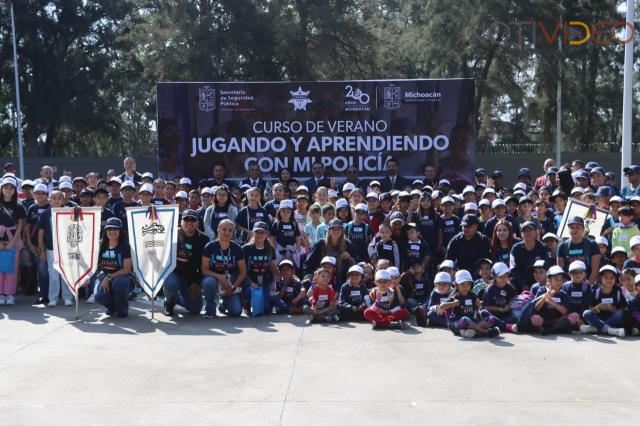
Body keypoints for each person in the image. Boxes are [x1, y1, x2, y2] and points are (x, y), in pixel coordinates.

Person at [163, 209, 209, 316]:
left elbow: (205, 265)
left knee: (195, 309)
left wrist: (196, 283)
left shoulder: (204, 239)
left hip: (191, 277)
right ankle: (169, 302)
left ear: (197, 222)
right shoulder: (170, 235)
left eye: (193, 220)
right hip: (173, 273)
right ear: (181, 222)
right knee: (171, 283)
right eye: (186, 219)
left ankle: (177, 299)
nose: (189, 222)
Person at [201, 219, 247, 318]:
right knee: (208, 282)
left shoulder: (237, 248)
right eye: (224, 229)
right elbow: (204, 269)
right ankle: (210, 310)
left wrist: (233, 287)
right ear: (218, 230)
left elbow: (243, 272)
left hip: (230, 283)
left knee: (236, 312)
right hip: (214, 280)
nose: (227, 232)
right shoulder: (209, 247)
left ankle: (223, 303)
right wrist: (219, 277)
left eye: (230, 230)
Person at [93, 218, 133, 317]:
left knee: (120, 283)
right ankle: (110, 307)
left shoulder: (125, 246)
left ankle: (122, 307)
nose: (112, 231)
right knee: (99, 297)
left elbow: (126, 269)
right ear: (105, 231)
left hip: (122, 276)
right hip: (104, 275)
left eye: (115, 229)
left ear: (120, 231)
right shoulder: (100, 244)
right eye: (109, 229)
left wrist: (109, 277)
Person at [442, 269, 500, 338]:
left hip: (472, 323)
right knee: (465, 319)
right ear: (457, 285)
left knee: (490, 318)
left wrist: (479, 305)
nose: (465, 287)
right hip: (457, 324)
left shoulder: (472, 296)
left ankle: (473, 332)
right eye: (462, 284)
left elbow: (479, 307)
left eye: (468, 284)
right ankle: (486, 332)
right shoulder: (455, 296)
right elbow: (442, 306)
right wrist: (453, 304)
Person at [243, 222, 281, 314]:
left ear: (266, 234)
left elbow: (272, 267)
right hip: (249, 282)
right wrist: (250, 282)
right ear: (253, 233)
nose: (260, 235)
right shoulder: (245, 249)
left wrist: (283, 275)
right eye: (257, 232)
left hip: (264, 282)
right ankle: (246, 304)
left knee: (266, 309)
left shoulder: (270, 249)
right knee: (248, 292)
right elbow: (241, 271)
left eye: (262, 232)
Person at [529, 266, 580, 335]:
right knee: (534, 318)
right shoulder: (542, 290)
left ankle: (551, 330)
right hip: (544, 320)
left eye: (561, 279)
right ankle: (559, 329)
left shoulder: (563, 294)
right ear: (549, 280)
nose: (559, 282)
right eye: (556, 279)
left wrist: (553, 303)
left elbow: (565, 311)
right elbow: (536, 308)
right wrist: (544, 298)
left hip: (558, 320)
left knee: (575, 316)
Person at [0, 175, 26, 305]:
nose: (8, 190)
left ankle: (9, 294)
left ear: (15, 190)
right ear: (1, 188)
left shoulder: (18, 205)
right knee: (0, 269)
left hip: (13, 239)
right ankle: (1, 294)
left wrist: (11, 242)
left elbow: (20, 225)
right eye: (6, 187)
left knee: (12, 269)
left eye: (11, 188)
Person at [580, 265, 626, 337]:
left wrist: (614, 309)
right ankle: (610, 330)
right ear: (601, 278)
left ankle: (595, 328)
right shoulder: (596, 292)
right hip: (598, 318)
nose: (609, 280)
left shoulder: (618, 292)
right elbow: (590, 309)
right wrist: (598, 308)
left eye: (611, 278)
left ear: (615, 279)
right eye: (606, 277)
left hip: (612, 318)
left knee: (619, 314)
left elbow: (623, 308)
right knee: (586, 313)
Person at [556, 216, 601, 285]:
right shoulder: (562, 246)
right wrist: (565, 286)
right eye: (572, 227)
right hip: (568, 284)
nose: (574, 230)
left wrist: (589, 285)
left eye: (577, 227)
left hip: (587, 283)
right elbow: (560, 269)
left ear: (583, 229)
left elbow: (595, 268)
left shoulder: (592, 245)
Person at [510, 221, 548, 292]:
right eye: (525, 231)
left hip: (538, 280)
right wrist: (523, 284)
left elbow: (546, 267)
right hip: (520, 281)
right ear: (521, 234)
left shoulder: (543, 248)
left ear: (536, 232)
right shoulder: (515, 248)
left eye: (530, 230)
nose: (528, 232)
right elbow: (513, 268)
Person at [480, 263, 518, 333]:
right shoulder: (489, 288)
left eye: (506, 276)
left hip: (506, 316)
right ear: (494, 276)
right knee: (485, 315)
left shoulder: (510, 288)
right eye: (500, 276)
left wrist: (510, 305)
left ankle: (499, 325)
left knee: (516, 317)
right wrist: (501, 309)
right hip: (492, 315)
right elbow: (486, 307)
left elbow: (514, 300)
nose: (504, 278)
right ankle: (506, 326)